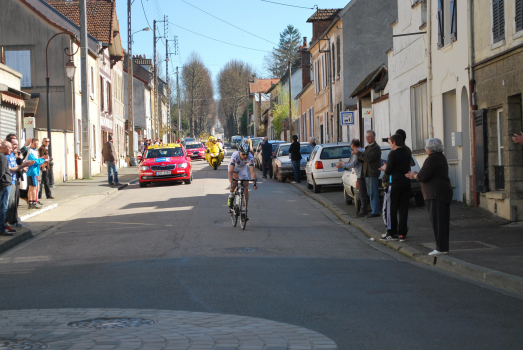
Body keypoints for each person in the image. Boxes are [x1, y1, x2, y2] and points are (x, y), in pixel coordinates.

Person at [406, 138, 453, 256]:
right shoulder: (440, 157)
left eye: (426, 147)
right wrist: (418, 175)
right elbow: (426, 174)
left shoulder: (432, 159)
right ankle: (443, 247)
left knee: (438, 221)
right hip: (442, 192)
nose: (425, 149)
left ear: (430, 149)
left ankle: (441, 248)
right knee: (442, 221)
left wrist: (414, 176)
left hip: (435, 193)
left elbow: (424, 176)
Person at [380, 134, 412, 241]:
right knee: (403, 209)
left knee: (391, 209)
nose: (390, 145)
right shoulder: (407, 153)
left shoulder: (392, 154)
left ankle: (392, 232)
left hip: (394, 183)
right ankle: (402, 232)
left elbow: (389, 171)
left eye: (390, 142)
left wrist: (385, 167)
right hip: (406, 183)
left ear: (394, 143)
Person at [1, 141, 34, 235]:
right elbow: (7, 169)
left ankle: (9, 223)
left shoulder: (11, 155)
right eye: (11, 146)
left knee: (10, 205)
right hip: (6, 183)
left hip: (12, 182)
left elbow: (14, 166)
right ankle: (4, 225)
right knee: (4, 206)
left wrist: (23, 166)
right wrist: (22, 166)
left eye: (14, 145)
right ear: (4, 147)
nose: (12, 148)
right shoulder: (3, 156)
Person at [336, 139, 368, 217]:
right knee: (363, 193)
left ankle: (363, 211)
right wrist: (345, 163)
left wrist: (342, 165)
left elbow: (353, 164)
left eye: (351, 144)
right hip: (364, 174)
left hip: (360, 174)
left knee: (362, 194)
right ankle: (363, 210)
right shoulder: (363, 150)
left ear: (353, 145)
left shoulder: (357, 153)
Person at [353, 130, 382, 218]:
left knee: (373, 193)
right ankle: (374, 210)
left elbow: (369, 158)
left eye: (369, 136)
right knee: (369, 193)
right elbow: (363, 159)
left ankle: (375, 211)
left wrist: (359, 154)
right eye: (366, 137)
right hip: (367, 173)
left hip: (372, 173)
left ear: (373, 137)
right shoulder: (367, 147)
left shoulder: (375, 148)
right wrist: (358, 155)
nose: (367, 138)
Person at [227, 143, 258, 219]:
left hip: (242, 168)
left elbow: (253, 172)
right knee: (235, 181)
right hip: (234, 168)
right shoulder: (235, 155)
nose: (245, 156)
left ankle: (244, 209)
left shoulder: (250, 157)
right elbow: (230, 171)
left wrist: (254, 183)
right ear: (239, 152)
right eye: (243, 154)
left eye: (246, 154)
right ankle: (231, 195)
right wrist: (231, 181)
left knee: (246, 186)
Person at [26, 140, 48, 209]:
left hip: (33, 171)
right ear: (31, 143)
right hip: (33, 172)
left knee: (31, 188)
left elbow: (36, 160)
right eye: (35, 143)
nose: (36, 145)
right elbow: (35, 161)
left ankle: (31, 202)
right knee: (33, 188)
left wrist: (42, 159)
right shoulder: (30, 151)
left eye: (37, 143)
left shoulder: (34, 151)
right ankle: (33, 202)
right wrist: (43, 160)